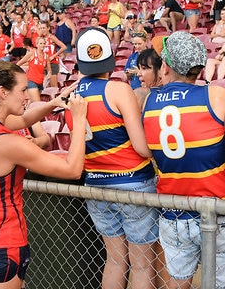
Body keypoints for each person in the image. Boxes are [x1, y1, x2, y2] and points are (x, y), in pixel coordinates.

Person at [0, 60, 87, 289]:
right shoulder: (8, 143)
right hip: (3, 241)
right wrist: (78, 121)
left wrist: (54, 103)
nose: (27, 96)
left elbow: (22, 120)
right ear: (2, 92)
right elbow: (72, 169)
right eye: (22, 90)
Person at [142, 30, 225, 289]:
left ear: (165, 66)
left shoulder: (149, 101)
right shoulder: (217, 96)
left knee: (177, 285)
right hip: (217, 205)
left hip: (174, 209)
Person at [66, 27, 158, 289]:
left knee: (115, 260)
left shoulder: (72, 99)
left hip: (96, 184)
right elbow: (142, 148)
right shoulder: (118, 90)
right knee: (142, 264)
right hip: (133, 183)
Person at [16, 37, 52, 102]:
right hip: (31, 80)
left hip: (40, 82)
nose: (42, 45)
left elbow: (49, 70)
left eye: (44, 43)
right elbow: (19, 63)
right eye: (40, 43)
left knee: (31, 103)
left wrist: (47, 78)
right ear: (36, 44)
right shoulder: (32, 53)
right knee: (37, 103)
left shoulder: (46, 56)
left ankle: (25, 111)